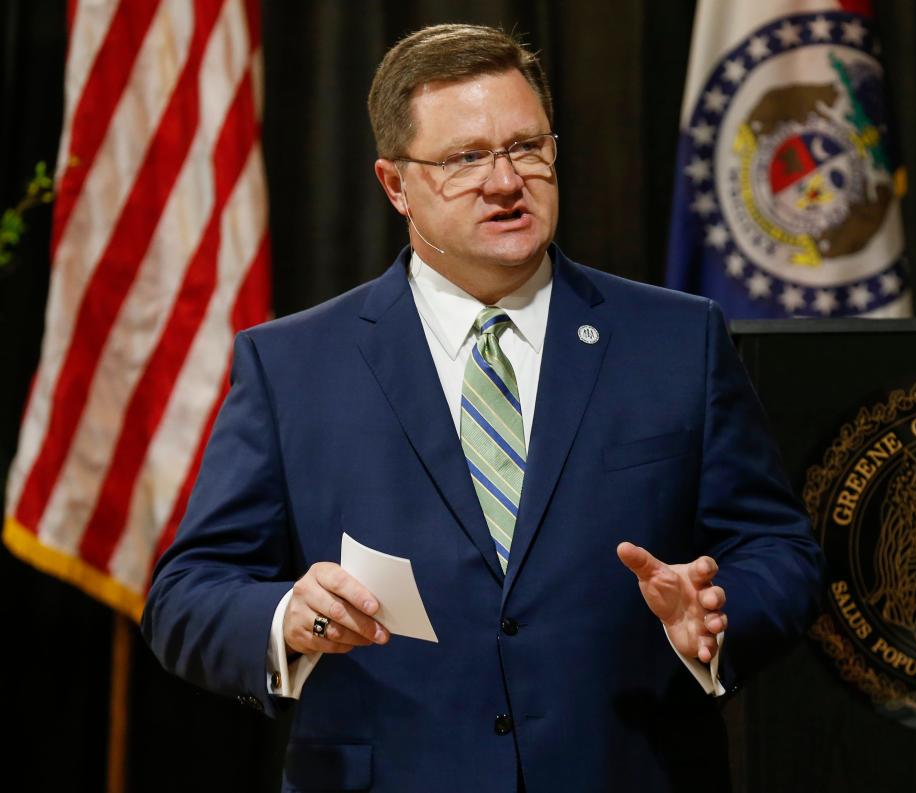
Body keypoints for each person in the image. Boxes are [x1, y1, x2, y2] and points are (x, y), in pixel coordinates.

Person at [141, 23, 822, 793]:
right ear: (394, 184)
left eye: (527, 146)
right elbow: (185, 594)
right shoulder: (292, 363)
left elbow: (780, 550)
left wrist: (716, 612)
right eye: (466, 158)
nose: (506, 181)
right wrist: (285, 615)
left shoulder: (677, 338)